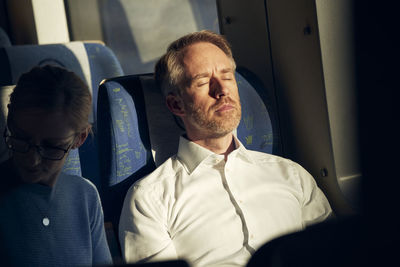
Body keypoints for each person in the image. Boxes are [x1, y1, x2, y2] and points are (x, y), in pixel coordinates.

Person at [119, 30, 332, 266]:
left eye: (227, 77)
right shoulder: (150, 199)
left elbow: (335, 253)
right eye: (202, 82)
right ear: (176, 104)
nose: (222, 90)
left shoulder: (292, 175)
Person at [0, 65, 112, 266]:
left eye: (51, 146)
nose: (32, 159)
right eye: (20, 138)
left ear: (80, 138)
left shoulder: (85, 196)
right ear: (10, 121)